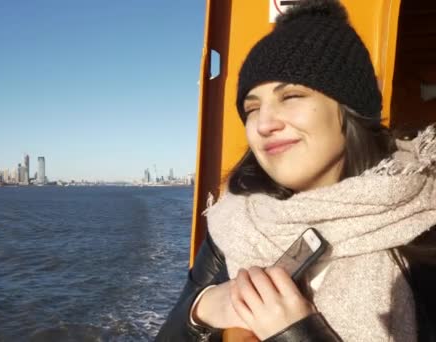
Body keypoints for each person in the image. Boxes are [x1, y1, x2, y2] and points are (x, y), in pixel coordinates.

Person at [156, 0, 436, 341]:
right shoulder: (235, 221)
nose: (263, 124)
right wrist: (202, 309)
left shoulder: (422, 230)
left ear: (351, 110)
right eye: (252, 107)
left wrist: (296, 333)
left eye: (291, 96)